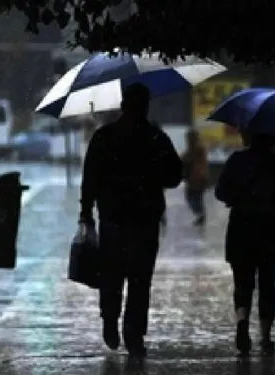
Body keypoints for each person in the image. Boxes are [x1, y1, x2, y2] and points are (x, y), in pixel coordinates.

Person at [79, 83, 183, 357]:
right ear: (146, 106)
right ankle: (133, 334)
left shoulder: (103, 138)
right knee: (140, 280)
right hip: (145, 221)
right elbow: (174, 177)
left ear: (123, 105)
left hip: (112, 219)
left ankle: (110, 321)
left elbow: (89, 179)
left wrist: (86, 212)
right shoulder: (155, 138)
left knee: (111, 275)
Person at [214, 131, 275, 357]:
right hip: (271, 227)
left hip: (241, 226)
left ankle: (242, 320)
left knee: (242, 281)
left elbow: (220, 192)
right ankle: (265, 336)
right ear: (273, 140)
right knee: (268, 283)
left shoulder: (237, 160)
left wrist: (238, 198)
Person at [181, 129, 209, 226]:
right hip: (194, 179)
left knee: (193, 198)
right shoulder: (192, 149)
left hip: (197, 178)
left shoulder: (197, 149)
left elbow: (197, 162)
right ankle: (201, 215)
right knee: (194, 198)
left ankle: (201, 215)